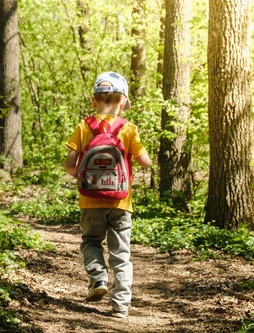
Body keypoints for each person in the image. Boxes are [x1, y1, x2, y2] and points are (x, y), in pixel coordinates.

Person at [64, 71, 151, 319]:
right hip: (121, 203)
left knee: (91, 242)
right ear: (123, 102)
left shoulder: (84, 126)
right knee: (120, 254)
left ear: (94, 101)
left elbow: (70, 165)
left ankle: (98, 278)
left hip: (89, 201)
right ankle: (120, 305)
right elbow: (144, 162)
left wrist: (80, 173)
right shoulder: (128, 129)